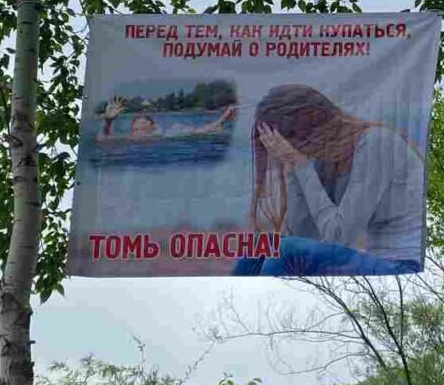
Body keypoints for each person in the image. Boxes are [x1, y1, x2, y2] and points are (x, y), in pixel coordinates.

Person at [241, 84, 424, 275]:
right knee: (258, 251)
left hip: (402, 265)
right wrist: (293, 169)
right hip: (371, 259)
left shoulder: (377, 144)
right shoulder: (327, 161)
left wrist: (301, 166)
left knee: (285, 251)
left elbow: (338, 236)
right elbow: (304, 234)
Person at [99, 96, 236, 140]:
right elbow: (104, 139)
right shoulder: (130, 139)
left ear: (153, 128)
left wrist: (224, 117)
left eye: (141, 129)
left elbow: (201, 131)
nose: (137, 133)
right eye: (135, 130)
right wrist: (108, 121)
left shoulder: (170, 133)